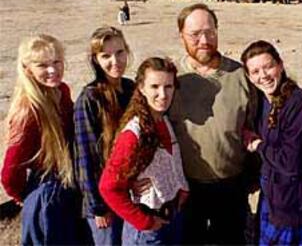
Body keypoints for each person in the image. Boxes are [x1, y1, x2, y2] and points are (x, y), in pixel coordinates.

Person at [168, 3, 257, 244]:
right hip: (185, 188)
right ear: (181, 36)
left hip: (231, 185)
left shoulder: (241, 76)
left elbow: (255, 127)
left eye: (210, 32)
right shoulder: (171, 78)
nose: (204, 40)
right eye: (195, 34)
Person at [240, 40, 302, 245]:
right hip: (274, 196)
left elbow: (291, 163)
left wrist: (258, 145)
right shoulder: (263, 101)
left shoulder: (299, 105)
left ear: (281, 65)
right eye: (255, 71)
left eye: (268, 67)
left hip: (295, 204)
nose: (263, 76)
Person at [99, 57, 189, 245]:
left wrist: (181, 190)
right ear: (141, 88)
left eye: (168, 87)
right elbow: (108, 187)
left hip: (170, 218)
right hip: (148, 230)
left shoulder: (162, 120)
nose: (163, 95)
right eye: (155, 86)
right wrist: (143, 221)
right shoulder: (134, 133)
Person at [1, 34, 81, 245]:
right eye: (42, 65)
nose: (53, 70)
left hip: (68, 183)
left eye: (56, 62)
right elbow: (10, 171)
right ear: (28, 69)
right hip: (46, 192)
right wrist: (25, 198)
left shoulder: (61, 91)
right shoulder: (29, 110)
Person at [74, 26, 135, 245]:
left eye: (119, 52)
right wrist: (96, 207)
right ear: (95, 60)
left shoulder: (131, 88)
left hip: (129, 194)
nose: (115, 61)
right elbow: (85, 157)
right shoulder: (90, 98)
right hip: (104, 201)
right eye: (106, 55)